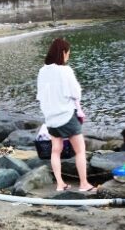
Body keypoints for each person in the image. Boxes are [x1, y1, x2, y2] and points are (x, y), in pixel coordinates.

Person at [36, 37, 93, 192]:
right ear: (63, 53)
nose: (68, 56)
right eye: (68, 53)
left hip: (51, 119)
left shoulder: (42, 71)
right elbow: (76, 92)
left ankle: (60, 184)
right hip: (66, 116)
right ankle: (83, 184)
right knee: (80, 150)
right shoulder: (65, 70)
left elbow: (40, 95)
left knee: (56, 150)